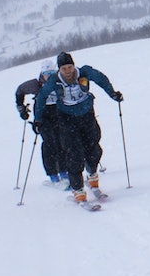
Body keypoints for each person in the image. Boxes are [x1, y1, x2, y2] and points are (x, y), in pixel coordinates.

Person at [35, 51, 123, 205]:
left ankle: (92, 178)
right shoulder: (54, 81)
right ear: (59, 69)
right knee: (74, 155)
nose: (68, 71)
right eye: (64, 69)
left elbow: (101, 79)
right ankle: (78, 191)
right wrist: (38, 119)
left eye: (70, 67)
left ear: (73, 66)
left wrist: (112, 93)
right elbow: (41, 97)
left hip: (87, 115)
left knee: (94, 150)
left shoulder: (84, 72)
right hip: (66, 119)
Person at [15, 59, 67, 184]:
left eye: (51, 72)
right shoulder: (35, 84)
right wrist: (21, 109)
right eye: (46, 73)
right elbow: (19, 91)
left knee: (63, 143)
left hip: (59, 113)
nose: (48, 75)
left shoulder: (60, 81)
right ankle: (53, 175)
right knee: (49, 144)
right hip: (43, 116)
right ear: (42, 73)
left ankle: (65, 172)